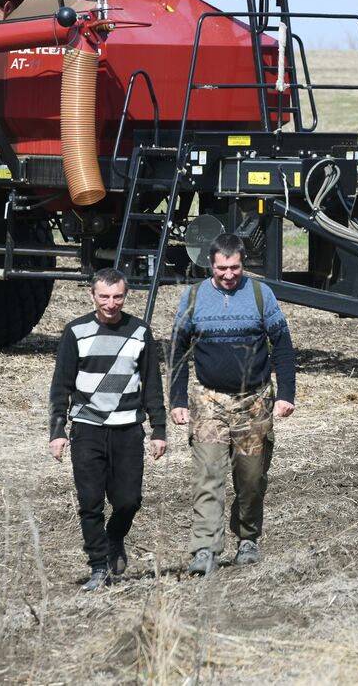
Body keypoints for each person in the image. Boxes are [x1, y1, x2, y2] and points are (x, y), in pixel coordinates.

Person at [170, 234, 295, 576]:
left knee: (251, 478)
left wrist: (287, 394)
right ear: (210, 264)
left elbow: (282, 345)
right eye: (222, 268)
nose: (229, 275)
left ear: (244, 263)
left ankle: (248, 538)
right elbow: (178, 350)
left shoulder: (259, 295)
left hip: (254, 402)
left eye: (235, 267)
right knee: (208, 475)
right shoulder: (194, 298)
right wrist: (177, 399)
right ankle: (205, 549)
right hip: (209, 400)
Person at [49, 268, 167, 592]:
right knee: (90, 502)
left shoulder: (140, 332)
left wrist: (159, 428)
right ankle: (99, 567)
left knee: (129, 500)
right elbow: (61, 385)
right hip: (87, 428)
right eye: (104, 297)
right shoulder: (76, 332)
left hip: (128, 428)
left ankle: (115, 536)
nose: (111, 304)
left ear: (125, 296)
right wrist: (57, 430)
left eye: (117, 297)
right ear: (92, 295)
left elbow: (152, 384)